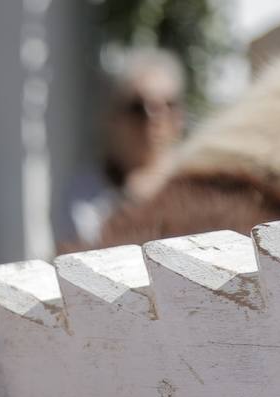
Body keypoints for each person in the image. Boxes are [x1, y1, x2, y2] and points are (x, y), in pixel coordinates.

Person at [56, 47, 186, 250]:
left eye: (169, 105)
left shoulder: (198, 184)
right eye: (138, 107)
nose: (155, 117)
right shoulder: (85, 193)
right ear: (113, 117)